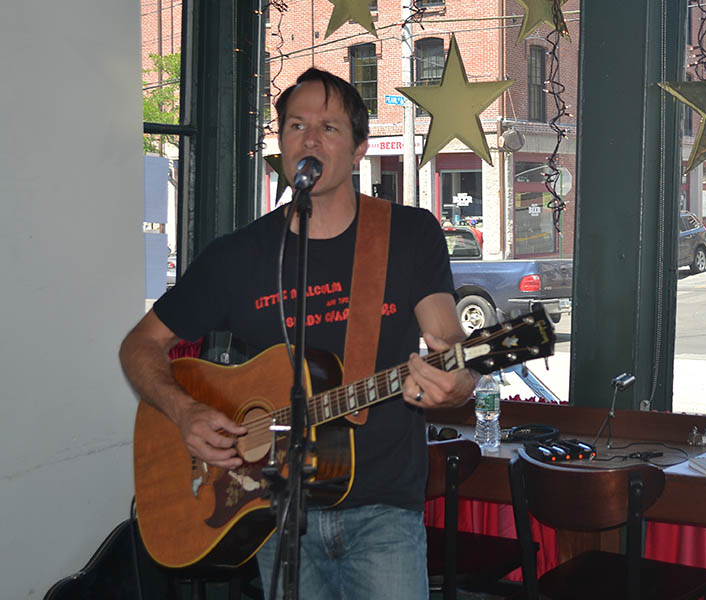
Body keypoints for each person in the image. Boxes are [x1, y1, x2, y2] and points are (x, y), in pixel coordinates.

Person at [119, 67, 476, 599]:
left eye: (329, 128)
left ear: (359, 149)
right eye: (295, 126)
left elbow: (452, 352)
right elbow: (139, 345)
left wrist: (457, 384)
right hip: (274, 510)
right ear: (280, 142)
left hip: (382, 513)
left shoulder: (407, 234)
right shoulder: (236, 256)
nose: (309, 139)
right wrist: (184, 410)